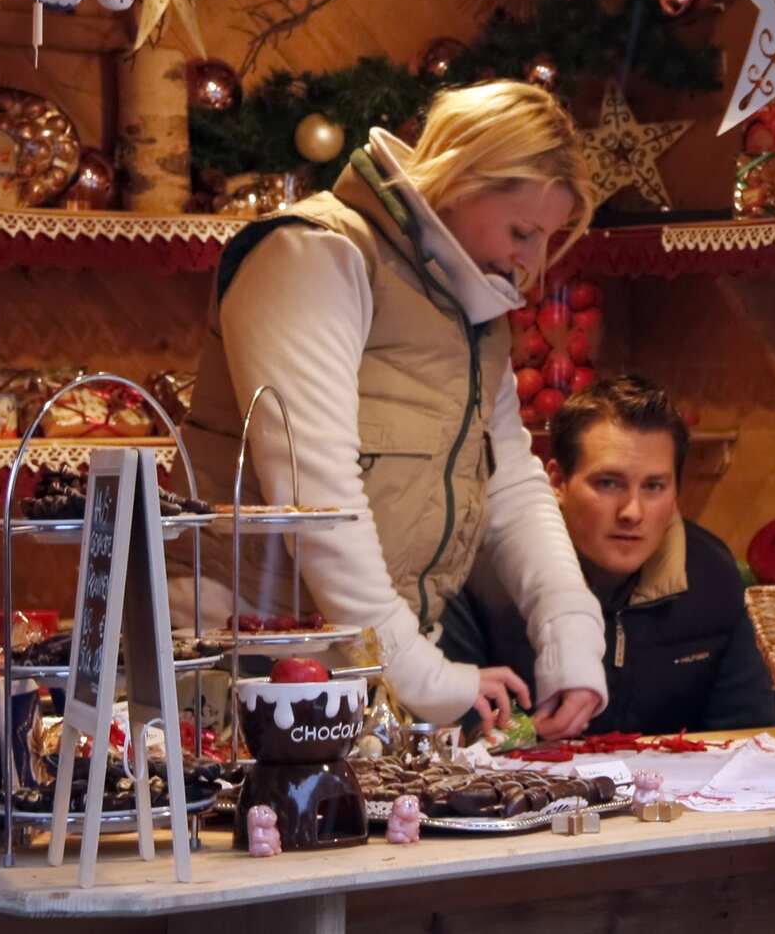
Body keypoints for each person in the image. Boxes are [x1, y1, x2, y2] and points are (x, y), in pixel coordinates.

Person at [172, 80, 608, 740]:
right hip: (237, 675)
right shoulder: (314, 252)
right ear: (460, 179)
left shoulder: (474, 304)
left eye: (546, 237)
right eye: (523, 230)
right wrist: (420, 674)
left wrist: (571, 637)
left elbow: (512, 483)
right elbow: (314, 492)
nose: (534, 262)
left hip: (358, 678)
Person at [442, 375, 775, 735]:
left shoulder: (712, 573)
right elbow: (449, 737)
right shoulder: (476, 577)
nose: (632, 511)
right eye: (608, 483)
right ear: (556, 481)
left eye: (653, 486)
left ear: (677, 492)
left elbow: (747, 736)